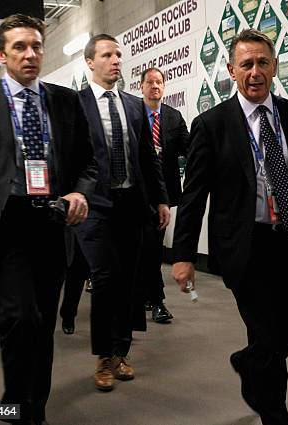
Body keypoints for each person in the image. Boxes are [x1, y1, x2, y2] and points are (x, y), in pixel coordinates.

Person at [172, 29, 288, 425]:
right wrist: (184, 255)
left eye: (262, 63)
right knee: (266, 330)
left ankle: (249, 361)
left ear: (274, 67)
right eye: (246, 64)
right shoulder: (211, 124)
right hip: (246, 246)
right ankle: (276, 414)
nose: (255, 72)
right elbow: (194, 195)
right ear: (231, 70)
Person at [0, 14, 97, 425]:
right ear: (1, 55)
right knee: (18, 317)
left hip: (53, 222)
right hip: (5, 225)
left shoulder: (66, 101)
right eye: (19, 47)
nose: (30, 54)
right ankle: (22, 403)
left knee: (43, 320)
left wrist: (78, 191)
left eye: (36, 46)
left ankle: (32, 404)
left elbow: (88, 161)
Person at [75, 34, 170, 392]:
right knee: (103, 277)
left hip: (131, 205)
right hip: (94, 207)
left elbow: (149, 158)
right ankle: (103, 355)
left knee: (129, 280)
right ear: (90, 62)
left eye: (118, 54)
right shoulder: (76, 104)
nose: (116, 60)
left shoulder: (133, 105)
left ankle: (120, 351)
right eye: (107, 55)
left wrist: (161, 199)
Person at [139, 67, 190, 323]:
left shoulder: (172, 117)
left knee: (153, 246)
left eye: (159, 82)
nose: (155, 86)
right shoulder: (133, 113)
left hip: (163, 195)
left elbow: (189, 148)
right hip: (137, 193)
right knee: (143, 247)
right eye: (150, 82)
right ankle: (152, 298)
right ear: (142, 87)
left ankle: (152, 298)